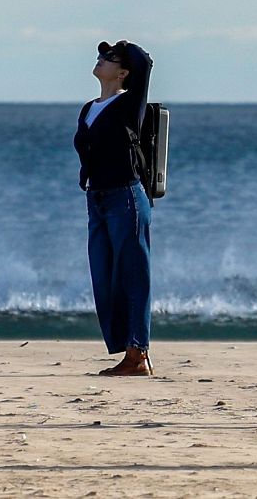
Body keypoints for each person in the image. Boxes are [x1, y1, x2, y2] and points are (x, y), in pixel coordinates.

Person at [73, 39, 156, 376]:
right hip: (97, 199)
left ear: (123, 73)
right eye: (100, 55)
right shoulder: (88, 108)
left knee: (134, 275)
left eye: (109, 58)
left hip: (126, 197)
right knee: (104, 276)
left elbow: (144, 62)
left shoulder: (130, 103)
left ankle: (138, 353)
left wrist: (124, 45)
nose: (101, 59)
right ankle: (129, 348)